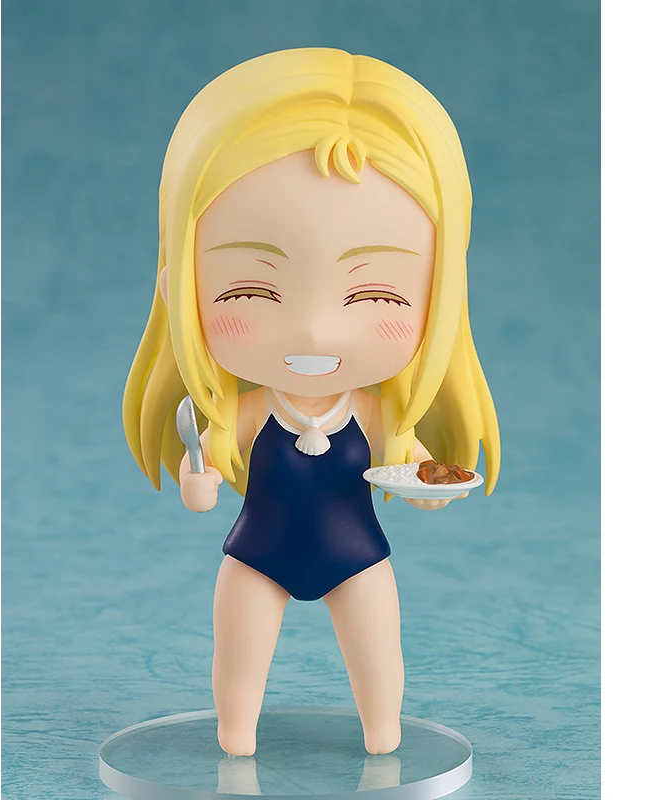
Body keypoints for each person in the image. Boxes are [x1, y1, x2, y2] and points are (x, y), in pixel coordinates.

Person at [123, 47, 500, 757]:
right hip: (255, 555)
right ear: (178, 288)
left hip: (359, 556)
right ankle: (236, 733)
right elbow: (203, 476)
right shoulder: (250, 412)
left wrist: (430, 490)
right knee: (238, 664)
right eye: (249, 291)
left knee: (379, 659)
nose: (316, 331)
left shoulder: (376, 415)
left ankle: (383, 731)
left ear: (443, 297)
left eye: (376, 295)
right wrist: (199, 480)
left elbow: (419, 475)